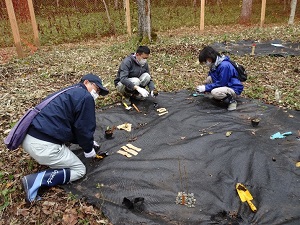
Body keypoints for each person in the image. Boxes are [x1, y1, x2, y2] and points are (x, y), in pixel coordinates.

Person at [21, 73, 109, 203]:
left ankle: (50, 158)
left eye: (99, 92)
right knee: (79, 170)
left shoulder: (69, 92)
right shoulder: (85, 97)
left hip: (28, 138)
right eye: (96, 89)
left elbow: (72, 126)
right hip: (43, 145)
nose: (96, 93)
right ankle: (35, 181)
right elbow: (83, 128)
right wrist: (88, 149)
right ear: (86, 83)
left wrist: (87, 142)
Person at [196, 46, 244, 111]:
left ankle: (231, 101)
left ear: (209, 58)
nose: (205, 63)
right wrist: (205, 86)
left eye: (205, 61)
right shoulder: (215, 64)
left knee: (214, 92)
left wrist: (206, 88)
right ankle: (220, 96)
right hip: (226, 85)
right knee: (209, 79)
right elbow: (212, 77)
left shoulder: (224, 66)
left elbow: (221, 83)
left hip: (233, 88)